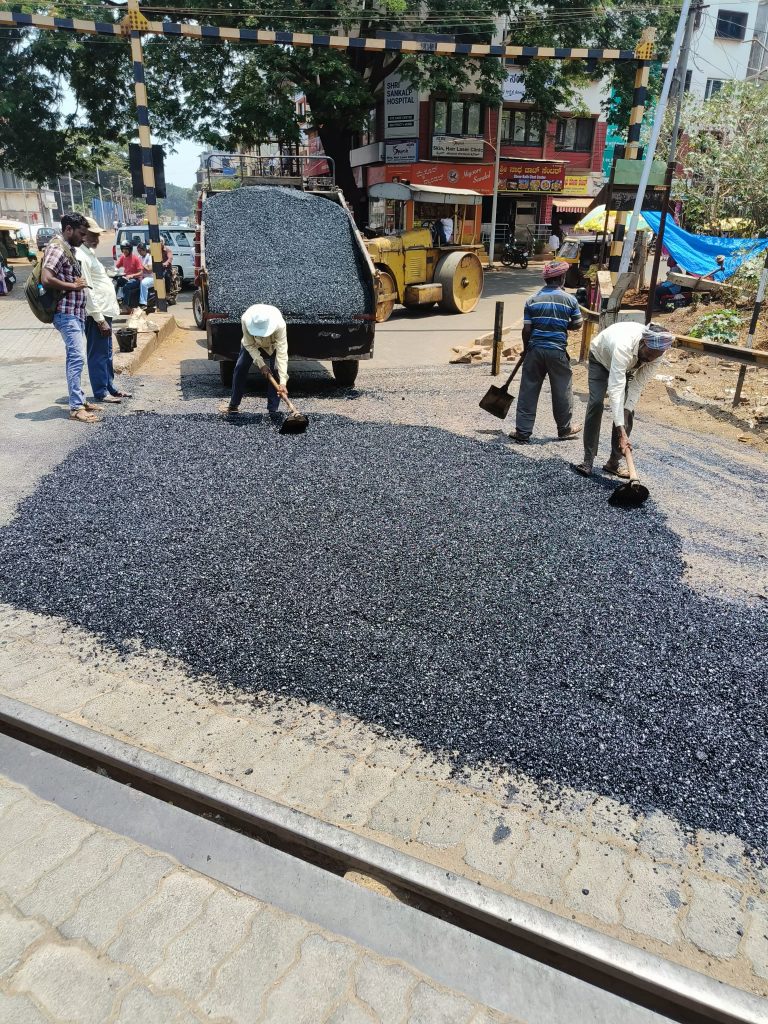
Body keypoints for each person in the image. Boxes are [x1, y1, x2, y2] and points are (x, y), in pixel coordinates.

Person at [572, 321, 675, 479]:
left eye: (654, 357)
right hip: (601, 358)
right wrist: (621, 431)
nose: (649, 360)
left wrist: (625, 415)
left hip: (627, 366)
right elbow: (615, 389)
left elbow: (637, 385)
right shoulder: (624, 346)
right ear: (642, 343)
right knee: (596, 403)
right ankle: (588, 460)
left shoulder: (657, 352)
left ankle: (613, 463)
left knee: (628, 412)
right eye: (648, 355)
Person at [510, 261, 583, 444]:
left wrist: (526, 349)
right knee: (562, 389)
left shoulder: (532, 300)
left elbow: (526, 330)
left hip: (535, 350)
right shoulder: (570, 300)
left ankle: (523, 432)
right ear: (561, 278)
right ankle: (564, 429)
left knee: (529, 389)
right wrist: (562, 325)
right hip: (557, 351)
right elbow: (578, 323)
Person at [41, 212, 98, 423]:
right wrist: (73, 286)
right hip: (66, 313)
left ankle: (79, 400)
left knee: (73, 358)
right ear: (68, 230)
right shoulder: (56, 248)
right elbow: (46, 279)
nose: (83, 238)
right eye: (81, 234)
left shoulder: (68, 249)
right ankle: (75, 407)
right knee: (77, 358)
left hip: (75, 312)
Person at [79, 216, 132, 405]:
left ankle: (110, 386)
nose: (97, 239)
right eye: (93, 235)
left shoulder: (89, 254)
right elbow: (87, 290)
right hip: (96, 314)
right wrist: (99, 319)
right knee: (98, 354)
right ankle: (101, 391)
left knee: (107, 352)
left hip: (104, 312)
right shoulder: (81, 256)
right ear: (82, 234)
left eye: (97, 235)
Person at [225, 303, 289, 415]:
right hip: (253, 343)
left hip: (272, 344)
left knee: (276, 370)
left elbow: (282, 354)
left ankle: (273, 410)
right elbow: (249, 345)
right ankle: (233, 404)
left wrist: (283, 382)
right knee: (240, 367)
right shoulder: (246, 320)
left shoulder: (279, 325)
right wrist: (262, 365)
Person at [114, 242, 143, 310]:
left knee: (126, 287)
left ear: (130, 250)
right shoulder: (123, 257)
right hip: (126, 278)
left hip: (136, 279)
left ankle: (125, 305)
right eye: (123, 249)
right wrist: (112, 271)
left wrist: (132, 275)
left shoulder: (135, 258)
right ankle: (115, 301)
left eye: (126, 249)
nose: (125, 251)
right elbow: (116, 267)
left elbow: (141, 272)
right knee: (115, 283)